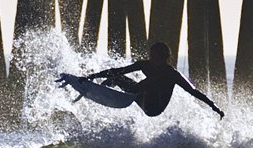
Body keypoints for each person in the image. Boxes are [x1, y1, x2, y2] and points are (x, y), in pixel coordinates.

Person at [83, 42, 225, 119]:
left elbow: (193, 92)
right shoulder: (145, 64)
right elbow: (118, 70)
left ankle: (116, 88)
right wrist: (92, 76)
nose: (152, 60)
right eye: (151, 56)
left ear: (165, 58)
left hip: (155, 107)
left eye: (156, 57)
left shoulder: (172, 74)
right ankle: (104, 88)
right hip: (140, 96)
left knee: (154, 80)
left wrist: (213, 107)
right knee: (116, 75)